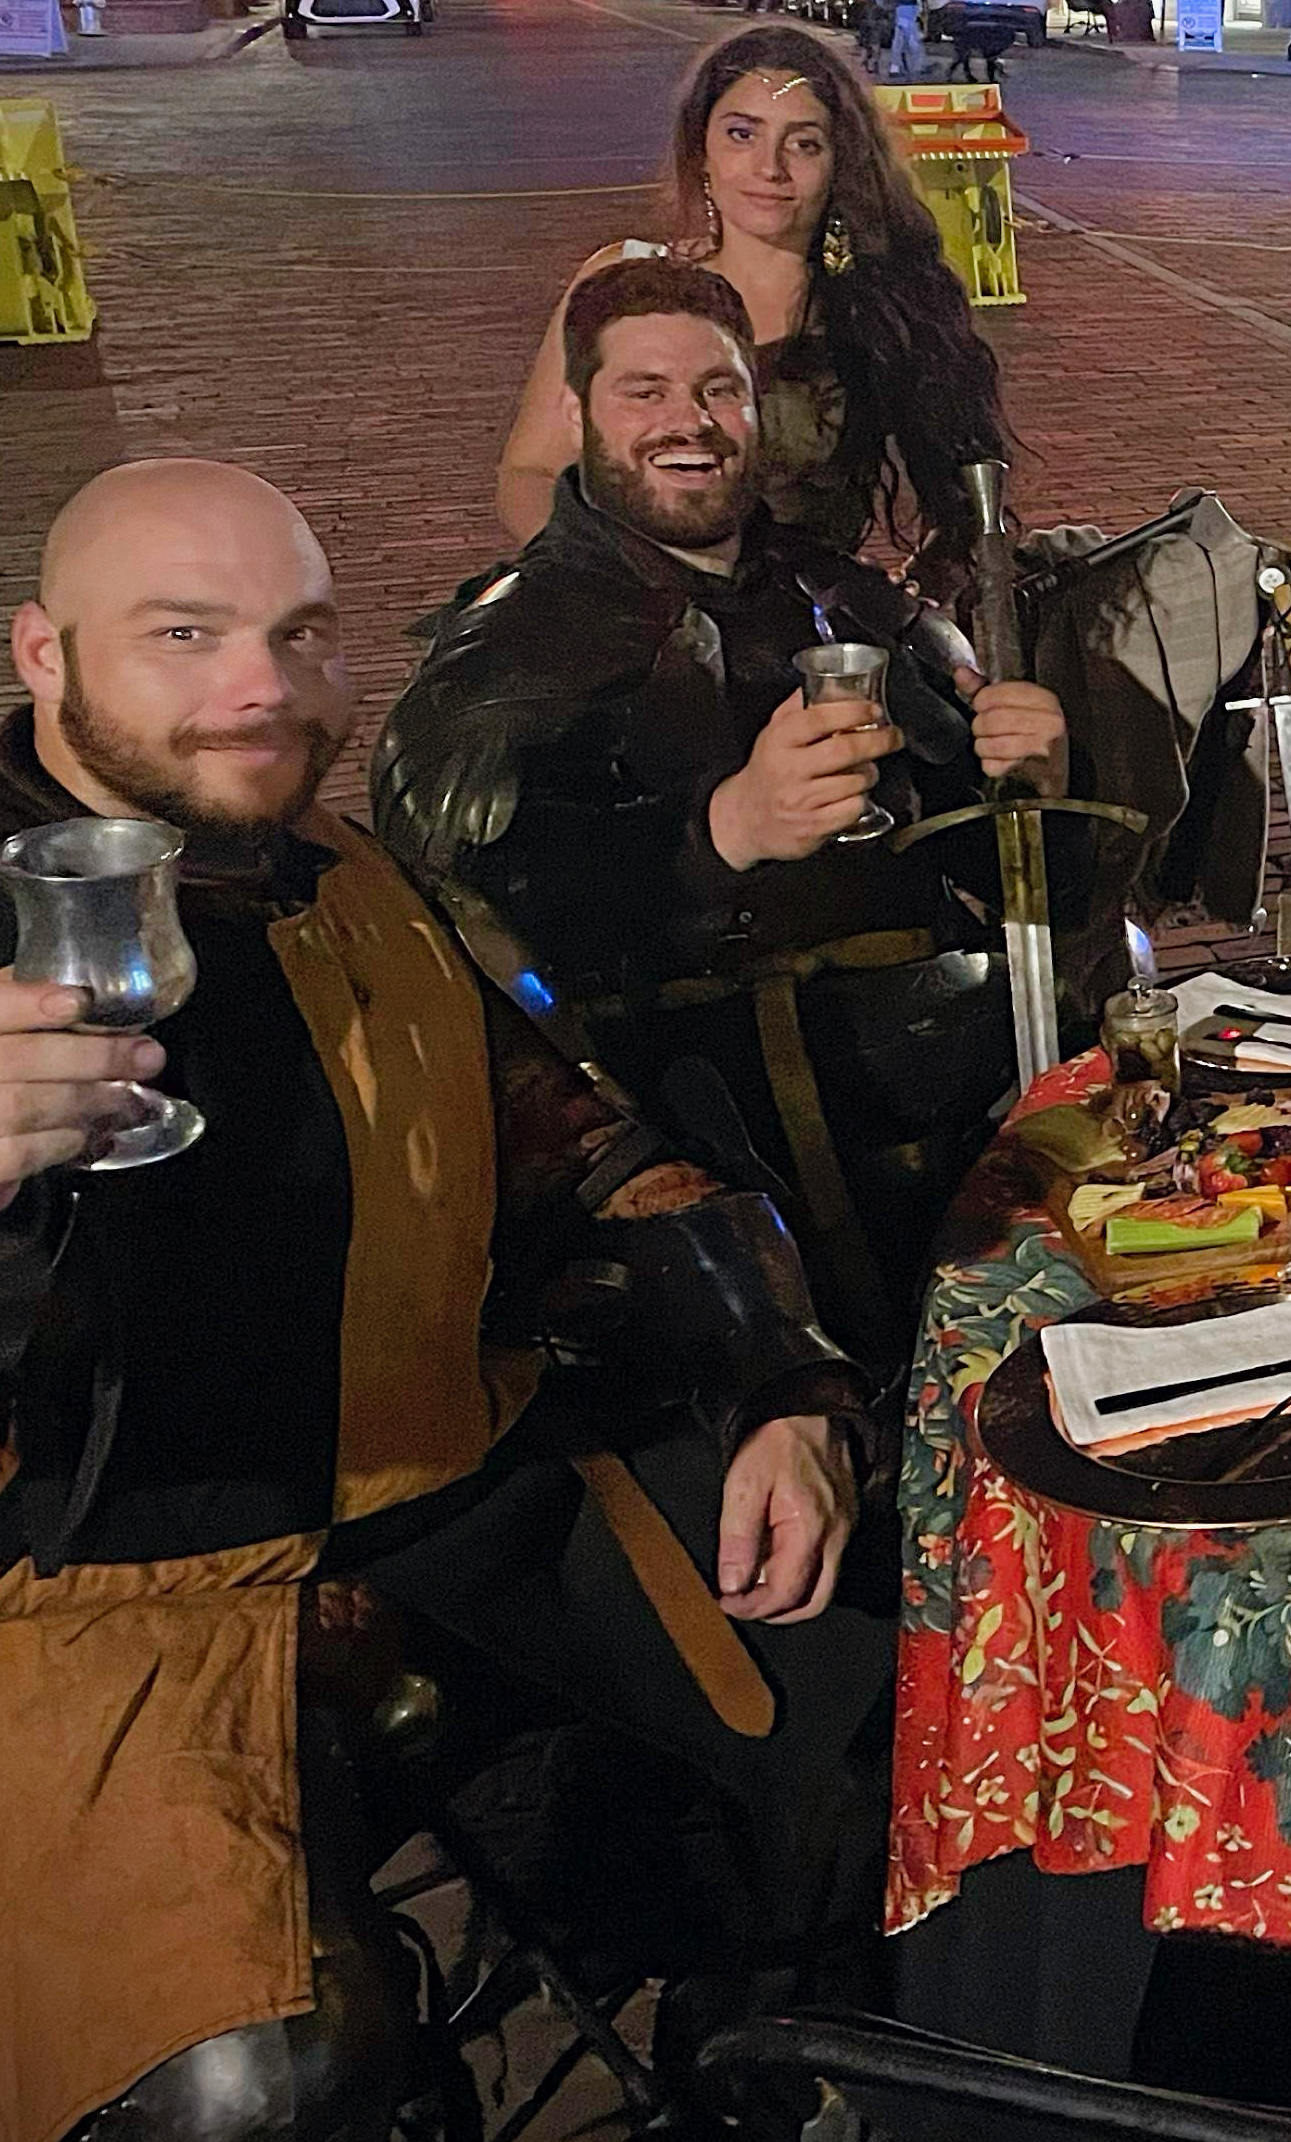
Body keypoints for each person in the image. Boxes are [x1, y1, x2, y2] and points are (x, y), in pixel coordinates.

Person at [0, 461, 880, 2142]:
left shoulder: (357, 881)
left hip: (422, 1482)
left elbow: (583, 1147)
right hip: (50, 1598)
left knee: (858, 1699)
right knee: (243, 2084)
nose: (260, 687)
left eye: (296, 634)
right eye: (185, 635)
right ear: (42, 654)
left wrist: (781, 1383)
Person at [391, 259, 1070, 1362]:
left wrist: (1033, 779)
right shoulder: (507, 651)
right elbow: (464, 933)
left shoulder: (854, 604)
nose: (689, 423)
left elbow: (1031, 882)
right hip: (717, 1177)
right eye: (644, 392)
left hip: (963, 1116)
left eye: (717, 389)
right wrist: (722, 835)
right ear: (577, 412)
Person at [497, 21, 1010, 596]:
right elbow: (530, 473)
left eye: (803, 143)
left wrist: (903, 606)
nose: (771, 168)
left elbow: (968, 502)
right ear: (701, 152)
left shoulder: (880, 306)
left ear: (840, 162)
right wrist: (615, 590)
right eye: (743, 134)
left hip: (795, 642)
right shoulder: (627, 284)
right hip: (626, 618)